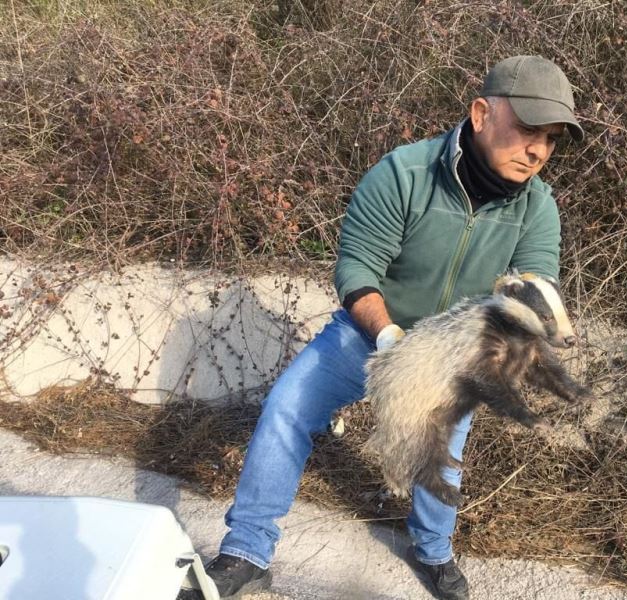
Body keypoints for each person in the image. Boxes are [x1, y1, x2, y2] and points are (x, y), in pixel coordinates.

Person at [204, 55, 584, 600]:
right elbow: (357, 267)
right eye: (527, 129)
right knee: (287, 407)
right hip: (370, 334)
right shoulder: (403, 173)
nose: (537, 150)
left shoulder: (538, 209)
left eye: (550, 139)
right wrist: (388, 339)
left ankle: (432, 553)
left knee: (441, 449)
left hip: (448, 355)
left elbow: (528, 293)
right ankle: (246, 550)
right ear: (481, 113)